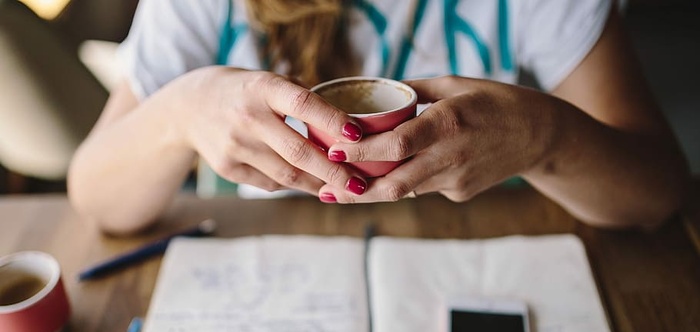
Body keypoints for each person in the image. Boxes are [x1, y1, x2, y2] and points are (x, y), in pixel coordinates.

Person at [67, 0, 690, 235]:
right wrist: (180, 110)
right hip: (264, 276)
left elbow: (659, 190)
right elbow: (95, 195)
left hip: (483, 255)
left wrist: (546, 137)